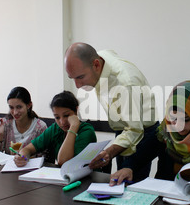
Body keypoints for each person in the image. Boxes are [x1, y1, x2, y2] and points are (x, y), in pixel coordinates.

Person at [111, 81, 190, 198]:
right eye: (173, 118)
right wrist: (128, 168)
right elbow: (140, 156)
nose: (178, 126)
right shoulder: (164, 132)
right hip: (167, 203)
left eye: (186, 119)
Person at [64, 42, 159, 172]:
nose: (77, 85)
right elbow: (110, 52)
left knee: (131, 182)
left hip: (143, 131)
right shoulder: (100, 59)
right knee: (119, 179)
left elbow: (134, 130)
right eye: (72, 78)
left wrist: (109, 152)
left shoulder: (125, 84)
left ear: (96, 65)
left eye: (80, 77)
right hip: (123, 129)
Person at [14, 91, 97, 167]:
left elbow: (64, 162)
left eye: (66, 115)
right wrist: (23, 156)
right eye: (57, 117)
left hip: (87, 179)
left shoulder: (86, 131)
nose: (62, 122)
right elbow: (28, 149)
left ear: (76, 110)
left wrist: (73, 127)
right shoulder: (55, 128)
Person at [0, 87, 47, 155]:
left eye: (19, 107)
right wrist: (0, 136)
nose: (15, 112)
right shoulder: (5, 124)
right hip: (8, 165)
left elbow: (44, 157)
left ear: (28, 105)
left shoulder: (40, 127)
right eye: (11, 107)